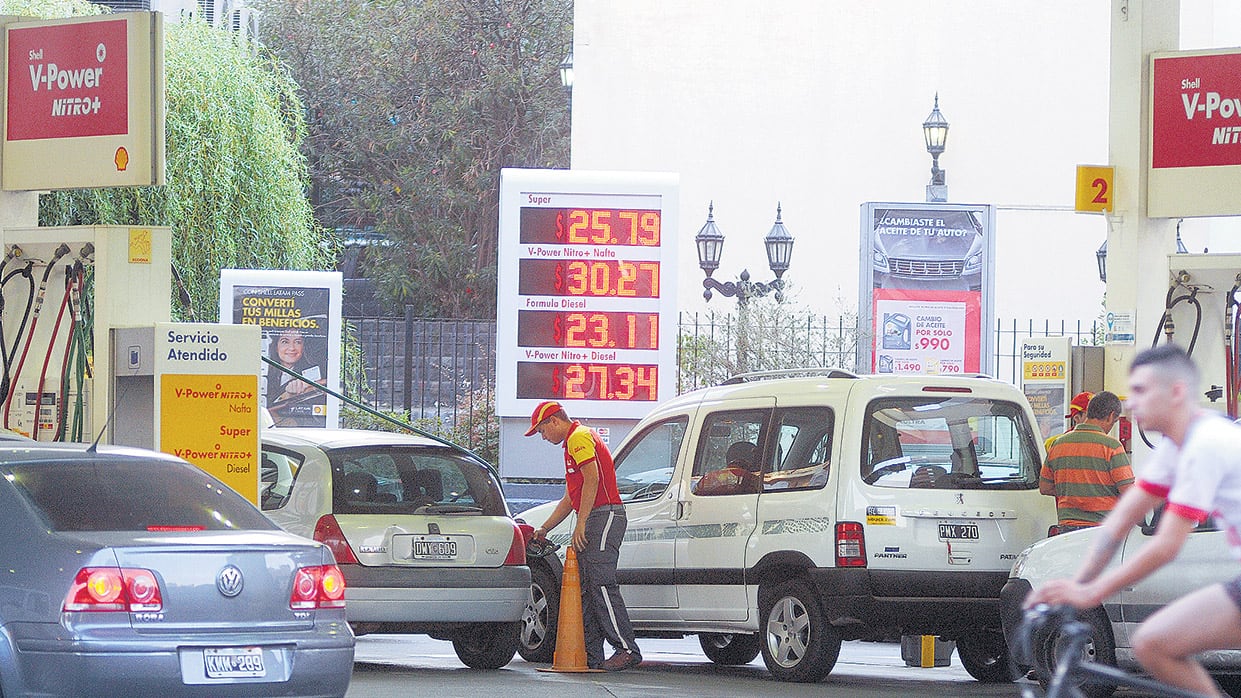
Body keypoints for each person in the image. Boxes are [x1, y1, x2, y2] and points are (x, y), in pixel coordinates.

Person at [1026, 345, 1241, 696]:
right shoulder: (1175, 446)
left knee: (1156, 642)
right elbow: (1122, 519)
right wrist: (1078, 585)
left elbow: (1167, 544)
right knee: (1152, 643)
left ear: (1176, 392)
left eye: (1142, 390)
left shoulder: (1207, 444)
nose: (1131, 402)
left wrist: (1094, 590)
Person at [526, 400, 642, 672]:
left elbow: (593, 479)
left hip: (605, 515)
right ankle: (592, 655)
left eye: (542, 431)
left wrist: (583, 522)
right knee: (586, 587)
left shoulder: (578, 437)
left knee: (601, 583)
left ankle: (626, 649)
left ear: (554, 421)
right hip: (597, 515)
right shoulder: (571, 445)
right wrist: (545, 527)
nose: (543, 437)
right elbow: (571, 497)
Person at [1039, 390, 1134, 531]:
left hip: (1066, 529)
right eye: (1114, 422)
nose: (1110, 428)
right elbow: (1129, 492)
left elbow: (1045, 487)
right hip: (1101, 529)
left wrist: (1073, 493)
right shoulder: (1112, 446)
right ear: (1111, 416)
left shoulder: (1058, 444)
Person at [265, 327, 327, 426]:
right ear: (276, 347)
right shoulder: (265, 372)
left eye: (297, 342)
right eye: (285, 342)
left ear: (303, 347)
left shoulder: (314, 373)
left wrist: (306, 386)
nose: (292, 348)